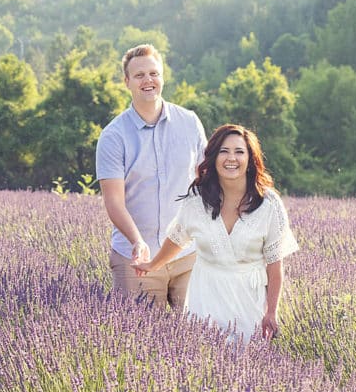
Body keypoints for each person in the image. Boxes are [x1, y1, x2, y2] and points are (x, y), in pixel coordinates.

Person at [133, 123, 299, 342]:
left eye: (239, 152)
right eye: (224, 151)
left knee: (249, 365)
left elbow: (275, 265)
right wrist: (152, 265)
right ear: (213, 158)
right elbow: (177, 238)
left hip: (248, 300)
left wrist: (271, 312)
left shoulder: (269, 204)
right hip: (206, 294)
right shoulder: (197, 201)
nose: (232, 158)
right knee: (205, 361)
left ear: (250, 160)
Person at [95, 44, 207, 309]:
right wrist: (137, 241)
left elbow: (205, 183)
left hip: (188, 256)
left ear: (163, 77)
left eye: (154, 73)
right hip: (137, 262)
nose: (148, 80)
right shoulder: (113, 136)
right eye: (139, 75)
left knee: (202, 336)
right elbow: (114, 202)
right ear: (127, 82)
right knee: (141, 343)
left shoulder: (189, 123)